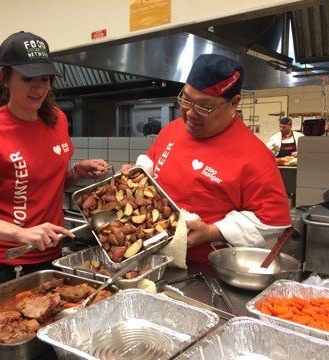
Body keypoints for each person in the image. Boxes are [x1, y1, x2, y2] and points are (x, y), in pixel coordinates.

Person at [0, 31, 109, 286]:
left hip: (49, 250)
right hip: (3, 259)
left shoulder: (57, 120)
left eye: (45, 79)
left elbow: (45, 185)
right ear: (5, 78)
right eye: (28, 79)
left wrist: (77, 172)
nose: (39, 89)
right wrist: (20, 234)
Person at [122, 54, 291, 263]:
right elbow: (151, 161)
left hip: (202, 270)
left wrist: (213, 231)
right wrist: (137, 173)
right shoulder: (172, 130)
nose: (190, 113)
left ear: (234, 103)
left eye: (204, 106)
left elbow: (272, 220)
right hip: (150, 256)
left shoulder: (255, 156)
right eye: (186, 100)